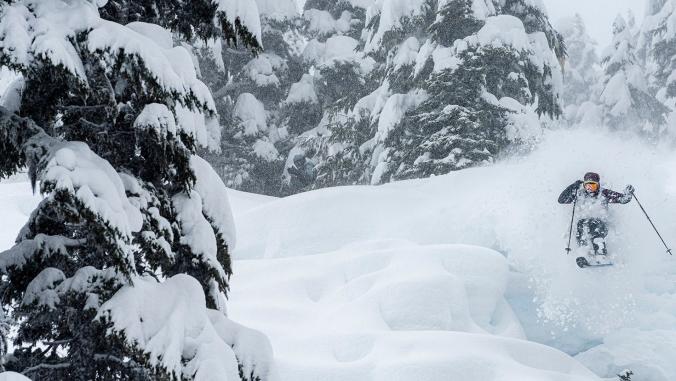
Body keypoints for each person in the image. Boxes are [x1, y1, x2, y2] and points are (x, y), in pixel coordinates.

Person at [558, 172, 634, 256]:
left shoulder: (604, 193)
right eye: (587, 186)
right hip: (584, 224)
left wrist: (628, 194)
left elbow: (623, 199)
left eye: (593, 186)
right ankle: (584, 253)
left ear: (598, 185)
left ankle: (600, 252)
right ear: (583, 185)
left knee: (594, 224)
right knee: (580, 225)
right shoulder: (579, 193)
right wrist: (572, 187)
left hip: (601, 224)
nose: (590, 189)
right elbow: (561, 200)